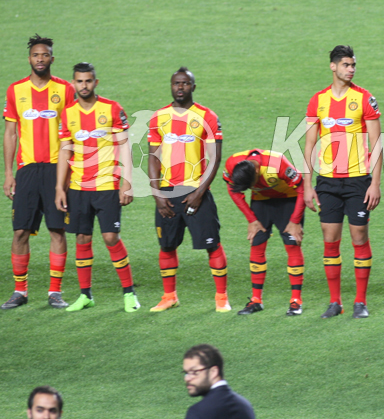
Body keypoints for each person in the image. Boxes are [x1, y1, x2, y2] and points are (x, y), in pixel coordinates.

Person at [303, 45, 382, 319]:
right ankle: (335, 302)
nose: (351, 69)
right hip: (327, 182)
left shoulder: (364, 98)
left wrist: (375, 183)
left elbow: (377, 144)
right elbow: (309, 144)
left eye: (353, 65)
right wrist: (307, 184)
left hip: (358, 181)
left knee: (359, 237)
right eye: (346, 65)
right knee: (330, 239)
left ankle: (360, 301)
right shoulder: (318, 100)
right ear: (333, 66)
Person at [55, 63, 139, 312]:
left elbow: (124, 145)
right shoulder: (68, 113)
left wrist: (127, 181)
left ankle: (129, 294)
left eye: (88, 81)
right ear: (73, 83)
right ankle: (85, 295)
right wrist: (59, 187)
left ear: (96, 82)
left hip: (106, 185)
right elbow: (64, 151)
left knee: (111, 237)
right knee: (82, 238)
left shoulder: (112, 109)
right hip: (78, 187)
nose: (84, 86)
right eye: (79, 81)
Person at [148, 67, 229, 312]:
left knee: (212, 244)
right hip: (168, 193)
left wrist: (199, 192)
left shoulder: (207, 116)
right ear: (171, 86)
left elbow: (215, 158)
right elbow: (152, 157)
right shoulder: (159, 117)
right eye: (176, 83)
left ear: (193, 86)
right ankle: (169, 296)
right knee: (166, 245)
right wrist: (157, 194)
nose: (180, 87)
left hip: (196, 192)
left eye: (185, 83)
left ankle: (221, 298)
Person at [2, 35, 74, 310]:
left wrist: (70, 174)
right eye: (36, 55)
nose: (40, 59)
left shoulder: (65, 90)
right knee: (20, 230)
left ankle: (55, 292)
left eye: (45, 55)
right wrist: (9, 174)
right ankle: (20, 291)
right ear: (29, 59)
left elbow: (73, 131)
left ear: (52, 59)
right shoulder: (16, 90)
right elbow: (10, 133)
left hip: (57, 169)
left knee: (57, 229)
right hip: (27, 170)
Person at [223, 149, 305, 316]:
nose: (251, 188)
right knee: (257, 243)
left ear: (256, 171)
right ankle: (256, 300)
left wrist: (295, 221)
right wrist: (251, 219)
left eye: (251, 184)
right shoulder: (232, 164)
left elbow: (302, 188)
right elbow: (233, 191)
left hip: (288, 200)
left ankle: (296, 301)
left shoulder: (278, 164)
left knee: (292, 244)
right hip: (261, 202)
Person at [183, 344, 255, 419]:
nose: (187, 378)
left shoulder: (198, 412)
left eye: (194, 372)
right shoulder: (244, 405)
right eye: (186, 373)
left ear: (213, 372)